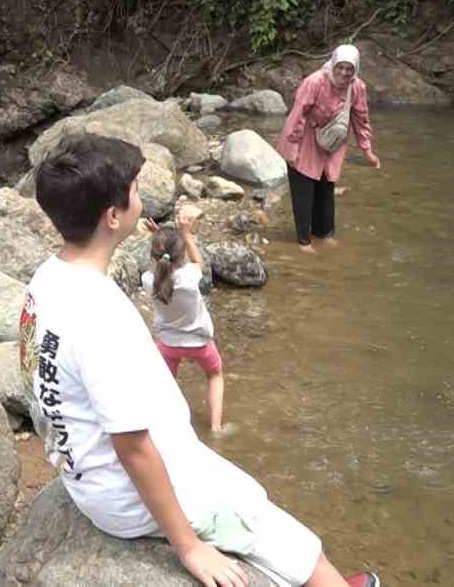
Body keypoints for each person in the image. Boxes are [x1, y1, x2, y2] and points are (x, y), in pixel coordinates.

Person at [19, 134, 382, 587]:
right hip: (131, 492)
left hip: (86, 477)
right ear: (113, 216)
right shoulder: (99, 316)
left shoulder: (47, 279)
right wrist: (188, 546)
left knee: (242, 488)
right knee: (275, 526)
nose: (140, 195)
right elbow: (132, 447)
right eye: (133, 189)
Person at [273, 44, 381, 254]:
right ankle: (304, 241)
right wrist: (293, 148)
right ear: (333, 64)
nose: (344, 73)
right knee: (304, 190)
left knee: (326, 189)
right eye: (340, 67)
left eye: (349, 69)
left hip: (332, 143)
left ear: (355, 69)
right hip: (304, 138)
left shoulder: (357, 86)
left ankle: (324, 234)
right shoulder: (315, 82)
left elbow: (361, 118)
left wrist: (367, 150)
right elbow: (297, 115)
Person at [141, 204, 228, 433]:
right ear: (181, 257)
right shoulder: (189, 277)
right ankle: (216, 428)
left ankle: (169, 428)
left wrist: (161, 238)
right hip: (200, 343)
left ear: (155, 256)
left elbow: (165, 263)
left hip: (168, 344)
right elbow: (198, 262)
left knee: (167, 386)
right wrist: (187, 235)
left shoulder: (149, 280)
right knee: (214, 375)